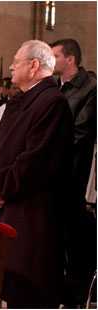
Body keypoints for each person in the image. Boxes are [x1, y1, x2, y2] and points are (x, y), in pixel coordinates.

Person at [0, 40, 74, 308]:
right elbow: (0, 149)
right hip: (10, 202)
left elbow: (35, 161)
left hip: (33, 213)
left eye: (16, 61)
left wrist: (1, 188)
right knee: (10, 287)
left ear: (34, 65)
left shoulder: (51, 103)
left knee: (30, 290)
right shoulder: (23, 101)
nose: (10, 67)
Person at [51, 38, 97, 306]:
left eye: (55, 56)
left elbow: (80, 131)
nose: (51, 60)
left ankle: (79, 295)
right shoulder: (57, 86)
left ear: (70, 59)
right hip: (56, 171)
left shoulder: (91, 88)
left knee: (75, 236)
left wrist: (47, 151)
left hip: (76, 172)